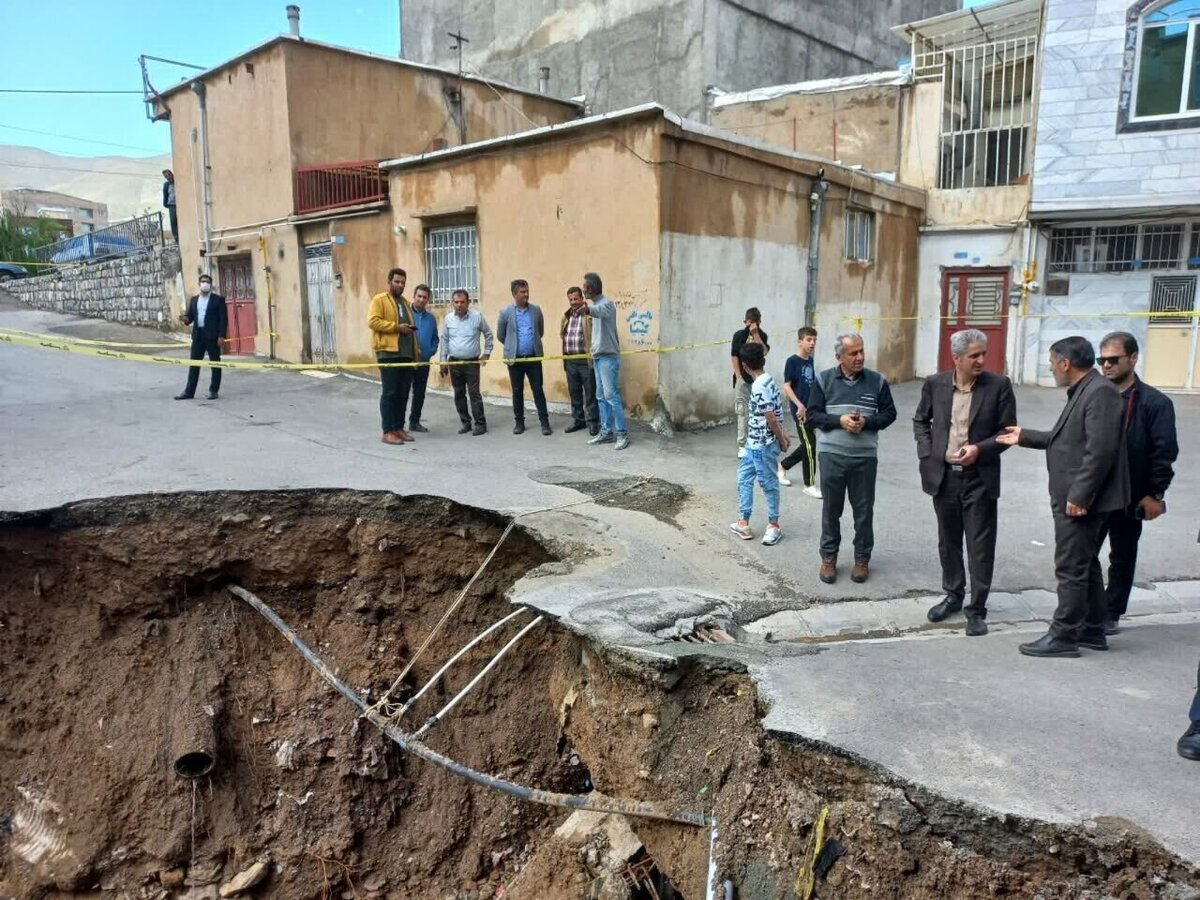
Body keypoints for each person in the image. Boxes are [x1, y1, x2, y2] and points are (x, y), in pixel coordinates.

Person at [997, 335, 1128, 658]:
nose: (1051, 367)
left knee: (1070, 567)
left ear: (1066, 363)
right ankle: (1093, 628)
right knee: (1086, 564)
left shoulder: (1100, 393)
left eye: (1053, 361)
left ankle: (1064, 635)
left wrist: (1081, 495)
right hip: (1079, 496)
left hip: (1083, 500)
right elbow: (1070, 440)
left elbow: (1100, 451)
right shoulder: (1088, 390)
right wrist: (1024, 436)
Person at [913, 329, 1018, 637]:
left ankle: (977, 608)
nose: (982, 360)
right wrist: (928, 453)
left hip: (979, 479)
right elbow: (921, 421)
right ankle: (954, 595)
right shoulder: (935, 384)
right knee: (948, 542)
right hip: (943, 477)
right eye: (975, 355)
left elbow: (1008, 432)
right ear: (956, 358)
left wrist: (979, 450)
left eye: (983, 354)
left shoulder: (998, 386)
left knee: (980, 546)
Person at [1095, 331, 1178, 634]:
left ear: (1133, 358)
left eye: (1113, 359)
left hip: (1132, 493)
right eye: (1101, 360)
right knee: (1085, 554)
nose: (1106, 365)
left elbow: (1164, 452)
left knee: (1122, 554)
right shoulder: (1094, 396)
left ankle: (1111, 612)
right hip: (1095, 491)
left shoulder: (1156, 403)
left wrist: (1154, 493)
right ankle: (1088, 608)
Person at [806, 333, 897, 585]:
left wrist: (867, 422)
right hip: (832, 456)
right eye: (853, 353)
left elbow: (890, 414)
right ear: (839, 357)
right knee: (831, 511)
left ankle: (861, 559)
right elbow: (812, 416)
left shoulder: (877, 382)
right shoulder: (823, 380)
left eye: (861, 351)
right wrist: (840, 421)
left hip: (864, 459)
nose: (860, 357)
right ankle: (828, 558)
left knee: (863, 512)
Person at [730, 343, 790, 546]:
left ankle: (774, 525)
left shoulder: (758, 386)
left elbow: (771, 417)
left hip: (762, 445)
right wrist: (783, 434)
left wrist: (782, 439)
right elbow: (777, 412)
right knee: (744, 478)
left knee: (768, 484)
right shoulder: (768, 379)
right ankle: (743, 522)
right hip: (752, 443)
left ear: (745, 365)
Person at [368, 267, 419, 445]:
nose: (400, 285)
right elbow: (373, 321)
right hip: (388, 353)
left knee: (403, 393)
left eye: (403, 283)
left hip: (405, 354)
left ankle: (398, 427)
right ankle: (388, 431)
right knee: (390, 393)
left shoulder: (404, 302)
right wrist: (397, 328)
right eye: (397, 282)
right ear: (389, 282)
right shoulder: (379, 300)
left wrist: (415, 351)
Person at [496, 278, 551, 436]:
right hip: (515, 359)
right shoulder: (505, 312)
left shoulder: (536, 310)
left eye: (527, 291)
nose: (526, 294)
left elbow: (540, 331)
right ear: (514, 294)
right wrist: (513, 346)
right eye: (522, 292)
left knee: (538, 390)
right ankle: (519, 422)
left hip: (533, 358)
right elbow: (501, 335)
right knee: (517, 391)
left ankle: (545, 423)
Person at [582, 272, 630, 451]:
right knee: (601, 397)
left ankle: (622, 434)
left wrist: (587, 310)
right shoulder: (595, 305)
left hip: (608, 358)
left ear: (591, 289)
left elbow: (598, 312)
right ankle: (606, 432)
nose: (583, 290)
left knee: (611, 396)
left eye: (584, 287)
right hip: (598, 357)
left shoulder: (606, 304)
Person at [439, 289, 493, 436]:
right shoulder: (449, 319)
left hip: (472, 363)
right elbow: (444, 340)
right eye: (456, 302)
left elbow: (488, 335)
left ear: (468, 302)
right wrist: (443, 361)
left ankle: (480, 424)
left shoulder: (477, 317)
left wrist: (487, 353)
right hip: (454, 363)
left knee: (474, 393)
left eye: (462, 302)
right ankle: (466, 423)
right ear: (452, 303)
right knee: (459, 394)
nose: (459, 305)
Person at [779, 326, 821, 498]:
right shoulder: (792, 361)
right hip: (800, 411)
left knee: (808, 444)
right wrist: (800, 406)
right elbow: (786, 386)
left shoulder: (810, 360)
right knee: (810, 445)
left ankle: (783, 466)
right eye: (809, 339)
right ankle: (809, 484)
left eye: (814, 340)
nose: (812, 343)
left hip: (810, 409)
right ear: (800, 341)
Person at [174, 273, 227, 401]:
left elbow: (223, 320)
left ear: (210, 284)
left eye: (208, 282)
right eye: (203, 282)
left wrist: (221, 336)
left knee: (215, 364)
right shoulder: (194, 300)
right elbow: (190, 318)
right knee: (194, 364)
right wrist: (185, 319)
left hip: (213, 336)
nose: (205, 284)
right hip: (198, 336)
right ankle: (189, 391)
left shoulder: (218, 300)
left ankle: (214, 390)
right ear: (199, 284)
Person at [730, 308, 770, 459]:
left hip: (757, 379)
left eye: (755, 323)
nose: (752, 325)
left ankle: (757, 441)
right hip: (743, 379)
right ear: (745, 322)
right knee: (742, 411)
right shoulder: (739, 335)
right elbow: (734, 356)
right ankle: (742, 445)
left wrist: (756, 334)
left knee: (758, 412)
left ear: (759, 322)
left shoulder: (762, 335)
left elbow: (764, 352)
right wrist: (739, 375)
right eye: (749, 322)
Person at [561, 286, 599, 436]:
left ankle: (593, 422)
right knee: (574, 392)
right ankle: (578, 420)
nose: (573, 302)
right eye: (570, 299)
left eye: (576, 298)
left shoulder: (590, 315)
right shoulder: (566, 316)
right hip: (570, 360)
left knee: (590, 393)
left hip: (585, 360)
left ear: (582, 299)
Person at [408, 284, 440, 433]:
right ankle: (397, 425)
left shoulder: (431, 319)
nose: (421, 300)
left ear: (428, 300)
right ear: (414, 296)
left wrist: (431, 351)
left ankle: (414, 422)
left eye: (424, 297)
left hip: (423, 362)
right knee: (401, 393)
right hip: (406, 362)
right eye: (419, 296)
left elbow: (435, 338)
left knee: (419, 393)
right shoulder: (405, 314)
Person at [162, 169, 177, 242]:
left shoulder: (177, 182)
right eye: (166, 176)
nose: (168, 177)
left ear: (172, 174)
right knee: (173, 221)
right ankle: (176, 237)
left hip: (179, 204)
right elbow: (165, 195)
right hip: (171, 205)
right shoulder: (166, 185)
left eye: (169, 175)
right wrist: (165, 204)